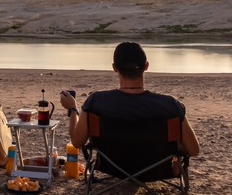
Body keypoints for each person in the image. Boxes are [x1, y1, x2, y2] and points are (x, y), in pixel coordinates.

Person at [59, 41, 200, 156]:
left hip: (112, 167)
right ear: (146, 66)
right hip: (158, 169)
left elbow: (77, 142)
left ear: (114, 68)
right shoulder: (170, 105)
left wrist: (73, 110)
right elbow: (193, 150)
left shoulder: (96, 102)